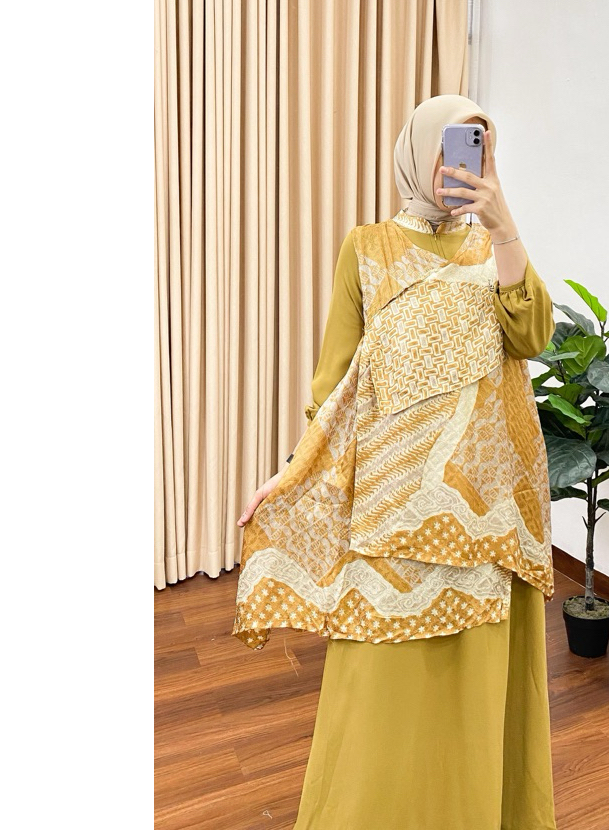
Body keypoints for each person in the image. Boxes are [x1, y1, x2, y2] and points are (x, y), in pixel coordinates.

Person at [235, 94, 559, 830]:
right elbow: (334, 384)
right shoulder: (368, 247)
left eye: (477, 148)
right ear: (418, 152)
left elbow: (532, 336)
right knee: (379, 688)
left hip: (483, 510)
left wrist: (504, 226)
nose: (460, 165)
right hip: (391, 505)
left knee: (474, 691)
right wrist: (293, 470)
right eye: (450, 147)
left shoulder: (494, 248)